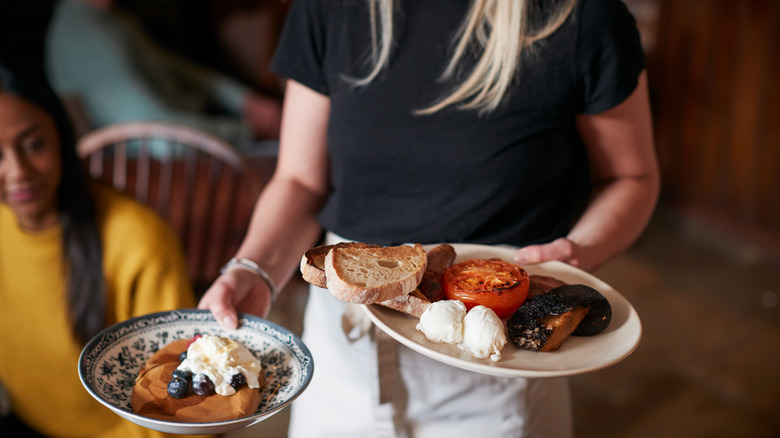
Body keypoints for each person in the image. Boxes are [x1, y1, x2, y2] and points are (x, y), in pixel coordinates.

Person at [198, 0, 660, 436]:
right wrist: (253, 270)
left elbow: (632, 176)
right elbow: (301, 180)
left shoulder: (581, 16)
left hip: (501, 367)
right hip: (341, 356)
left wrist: (579, 251)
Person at [0, 60, 209, 438]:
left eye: (33, 144)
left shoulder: (141, 240)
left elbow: (174, 410)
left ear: (61, 136)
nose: (17, 171)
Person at [45, 0, 282, 150]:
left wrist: (243, 100)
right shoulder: (84, 34)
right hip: (156, 166)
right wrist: (248, 130)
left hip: (193, 135)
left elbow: (176, 69)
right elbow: (158, 135)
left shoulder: (116, 20)